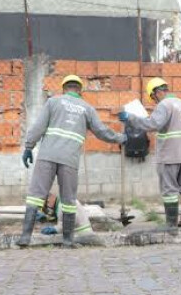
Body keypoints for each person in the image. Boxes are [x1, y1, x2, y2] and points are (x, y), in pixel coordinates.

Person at [18, 74, 126, 248]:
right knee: (68, 200)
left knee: (36, 196)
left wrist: (28, 147)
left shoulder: (53, 102)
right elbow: (101, 131)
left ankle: (25, 237)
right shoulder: (87, 108)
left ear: (64, 88)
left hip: (47, 155)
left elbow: (38, 127)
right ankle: (68, 240)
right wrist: (120, 138)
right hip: (69, 159)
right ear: (80, 90)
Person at [118, 77, 181, 233]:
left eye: (153, 98)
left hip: (168, 154)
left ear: (157, 92)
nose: (154, 102)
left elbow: (153, 124)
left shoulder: (164, 105)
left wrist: (130, 118)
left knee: (169, 189)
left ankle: (171, 225)